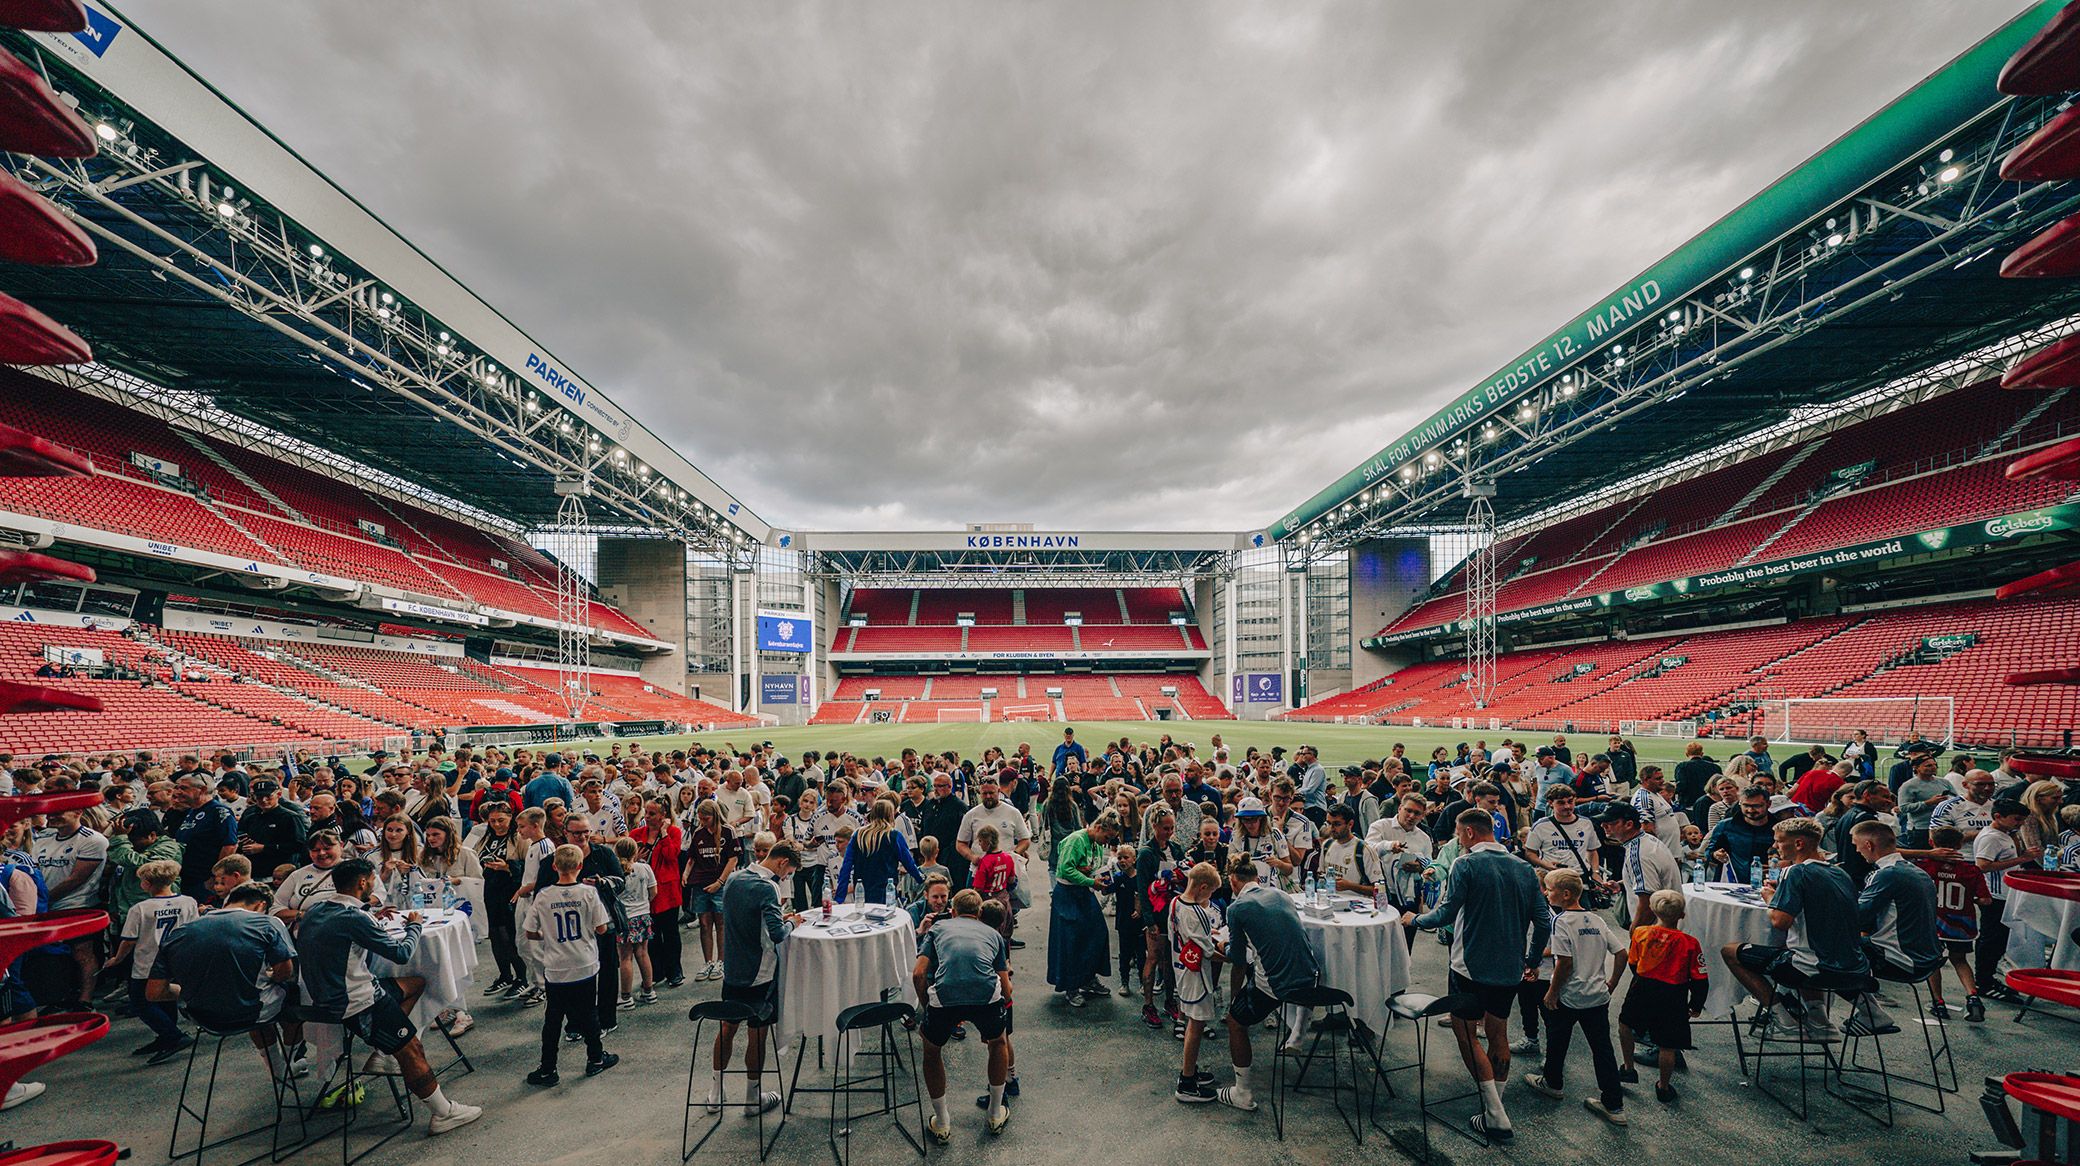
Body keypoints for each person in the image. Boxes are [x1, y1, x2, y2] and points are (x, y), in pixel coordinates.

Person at [296, 860, 481, 1134]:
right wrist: (415, 926)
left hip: (318, 999)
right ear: (362, 883)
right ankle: (443, 1112)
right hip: (356, 1001)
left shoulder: (317, 910)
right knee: (412, 1049)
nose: (374, 884)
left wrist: (371, 913)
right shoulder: (354, 918)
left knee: (415, 983)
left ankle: (384, 1050)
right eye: (371, 879)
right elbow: (402, 953)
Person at [1405, 808, 1551, 1140]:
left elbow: (1445, 913)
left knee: (1466, 1034)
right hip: (1510, 965)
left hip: (1468, 966)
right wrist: (1531, 960)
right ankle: (1494, 1104)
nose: (1459, 840)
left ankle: (1496, 1114)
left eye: (1459, 834)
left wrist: (1413, 920)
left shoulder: (1465, 863)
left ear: (1469, 833)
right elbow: (1542, 920)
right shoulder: (1524, 868)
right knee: (1498, 1032)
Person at [1720, 817, 1870, 1041]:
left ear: (1799, 844)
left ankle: (1783, 1019)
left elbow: (1780, 921)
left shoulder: (1795, 872)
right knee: (1796, 949)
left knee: (1730, 951)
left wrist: (1772, 898)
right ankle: (1820, 1021)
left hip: (1813, 965)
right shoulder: (1839, 872)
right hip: (1851, 964)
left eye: (1779, 842)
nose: (1775, 847)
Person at [146, 883, 306, 1086]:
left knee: (253, 994)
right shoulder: (267, 922)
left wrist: (194, 990)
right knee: (291, 995)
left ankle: (278, 1069)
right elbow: (285, 972)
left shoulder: (179, 933)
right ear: (260, 905)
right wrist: (268, 978)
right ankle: (286, 1064)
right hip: (249, 1011)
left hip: (201, 1016)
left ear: (226, 902)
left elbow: (154, 992)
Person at [1520, 868, 1627, 1124]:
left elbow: (1564, 963)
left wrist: (1552, 992)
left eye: (1549, 889)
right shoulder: (1597, 920)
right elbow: (1622, 953)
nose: (1545, 893)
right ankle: (1614, 1105)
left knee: (1557, 1039)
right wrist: (1611, 983)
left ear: (1565, 894)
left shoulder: (1561, 921)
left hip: (1570, 995)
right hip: (1597, 996)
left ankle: (1552, 1083)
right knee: (1602, 1049)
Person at [1218, 856, 1324, 1113]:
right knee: (1288, 973)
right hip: (1312, 975)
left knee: (1235, 1022)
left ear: (1233, 882)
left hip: (1277, 983)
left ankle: (1242, 1092)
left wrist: (1222, 944)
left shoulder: (1237, 909)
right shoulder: (1280, 895)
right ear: (1257, 879)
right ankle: (1297, 1031)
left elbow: (1237, 957)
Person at [915, 888, 1014, 1141]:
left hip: (945, 996)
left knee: (932, 1050)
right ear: (980, 912)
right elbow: (1005, 985)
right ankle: (994, 1113)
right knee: (998, 1042)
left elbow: (918, 973)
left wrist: (928, 1006)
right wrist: (1001, 1010)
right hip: (985, 997)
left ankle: (942, 1120)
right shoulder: (994, 935)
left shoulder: (938, 929)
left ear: (953, 911)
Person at [711, 841, 802, 1117]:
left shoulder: (735, 879)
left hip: (734, 966)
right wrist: (793, 922)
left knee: (727, 1028)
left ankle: (716, 1092)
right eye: (788, 874)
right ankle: (752, 1097)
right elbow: (777, 934)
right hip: (760, 971)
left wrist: (775, 917)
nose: (784, 879)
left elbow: (747, 917)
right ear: (783, 862)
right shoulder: (768, 887)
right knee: (758, 1033)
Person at [523, 844, 618, 1085]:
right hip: (584, 962)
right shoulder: (588, 893)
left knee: (553, 1018)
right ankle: (595, 1058)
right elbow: (601, 927)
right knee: (589, 1012)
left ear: (554, 866)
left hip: (556, 966)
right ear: (580, 866)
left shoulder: (544, 896)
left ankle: (548, 1068)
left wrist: (547, 935)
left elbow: (530, 932)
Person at [1849, 818, 1942, 1036]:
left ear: (1869, 845)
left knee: (1823, 953)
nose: (1857, 851)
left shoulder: (1887, 873)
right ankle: (1870, 1012)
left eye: (1857, 845)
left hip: (1902, 957)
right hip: (1928, 957)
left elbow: (1858, 917)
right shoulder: (1914, 870)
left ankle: (1869, 1014)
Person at [1616, 889, 1708, 1105]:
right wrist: (1696, 1004)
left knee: (1625, 1024)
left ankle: (1628, 1068)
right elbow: (1700, 977)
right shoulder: (1690, 943)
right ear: (1682, 914)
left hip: (1642, 987)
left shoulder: (1640, 933)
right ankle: (1663, 1086)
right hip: (1673, 994)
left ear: (1653, 910)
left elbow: (1633, 962)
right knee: (1668, 1043)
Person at [112, 859, 199, 1063]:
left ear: (147, 883)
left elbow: (129, 940)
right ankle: (166, 1034)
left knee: (140, 1001)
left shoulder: (140, 908)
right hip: (177, 959)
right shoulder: (188, 902)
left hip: (148, 961)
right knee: (165, 996)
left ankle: (174, 1036)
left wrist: (117, 959)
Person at [1913, 825, 1992, 1021]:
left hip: (1934, 921)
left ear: (1932, 843)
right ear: (1960, 844)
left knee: (1933, 962)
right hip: (1961, 923)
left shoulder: (1924, 865)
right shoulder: (1971, 870)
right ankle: (1973, 997)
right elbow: (1985, 900)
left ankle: (1938, 1002)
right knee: (1960, 960)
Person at [1047, 810, 1121, 1006]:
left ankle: (1088, 978)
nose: (1106, 842)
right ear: (1098, 828)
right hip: (1068, 895)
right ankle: (1071, 986)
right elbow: (1065, 869)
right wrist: (1090, 880)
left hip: (1084, 893)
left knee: (1097, 932)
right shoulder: (1076, 840)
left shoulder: (1095, 844)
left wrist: (1100, 879)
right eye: (1106, 837)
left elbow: (1090, 867)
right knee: (1071, 939)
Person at [1169, 861, 1225, 1104]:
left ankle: (1191, 1068)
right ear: (1203, 888)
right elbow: (1209, 952)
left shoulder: (1176, 903)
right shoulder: (1198, 913)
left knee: (1192, 1020)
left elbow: (1192, 935)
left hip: (1180, 970)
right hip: (1196, 976)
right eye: (1211, 892)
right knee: (1197, 1023)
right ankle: (1187, 1081)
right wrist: (1236, 956)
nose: (1211, 897)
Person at [1973, 798, 2037, 1004]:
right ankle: (1983, 981)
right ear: (1998, 817)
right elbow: (1983, 865)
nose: (2019, 824)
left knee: (1999, 939)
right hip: (1995, 895)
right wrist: (2020, 860)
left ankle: (1988, 977)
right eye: (2016, 819)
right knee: (1991, 939)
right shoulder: (1991, 838)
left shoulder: (2006, 834)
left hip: (2006, 894)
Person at [833, 799, 925, 905]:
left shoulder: (858, 834)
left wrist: (839, 897)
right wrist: (921, 878)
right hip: (886, 890)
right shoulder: (894, 835)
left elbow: (846, 867)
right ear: (890, 815)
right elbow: (909, 863)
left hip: (862, 889)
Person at [1602, 803, 1679, 926]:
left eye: (1610, 822)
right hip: (1668, 924)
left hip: (1656, 930)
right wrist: (1622, 884)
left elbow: (1648, 902)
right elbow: (1654, 880)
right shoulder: (1648, 841)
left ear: (1628, 824)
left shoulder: (1639, 853)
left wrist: (1636, 931)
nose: (1603, 826)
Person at [610, 837, 657, 1007]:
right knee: (643, 952)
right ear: (635, 852)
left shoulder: (615, 871)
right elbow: (653, 891)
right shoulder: (645, 868)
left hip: (624, 918)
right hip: (643, 914)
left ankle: (625, 997)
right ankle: (648, 991)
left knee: (625, 957)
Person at [1706, 787, 1778, 885]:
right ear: (1739, 803)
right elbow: (1709, 852)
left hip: (1768, 884)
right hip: (1733, 883)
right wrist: (1715, 855)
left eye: (1756, 806)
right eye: (1746, 805)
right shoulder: (1726, 826)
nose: (1750, 810)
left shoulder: (1778, 828)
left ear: (1768, 804)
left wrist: (1777, 867)